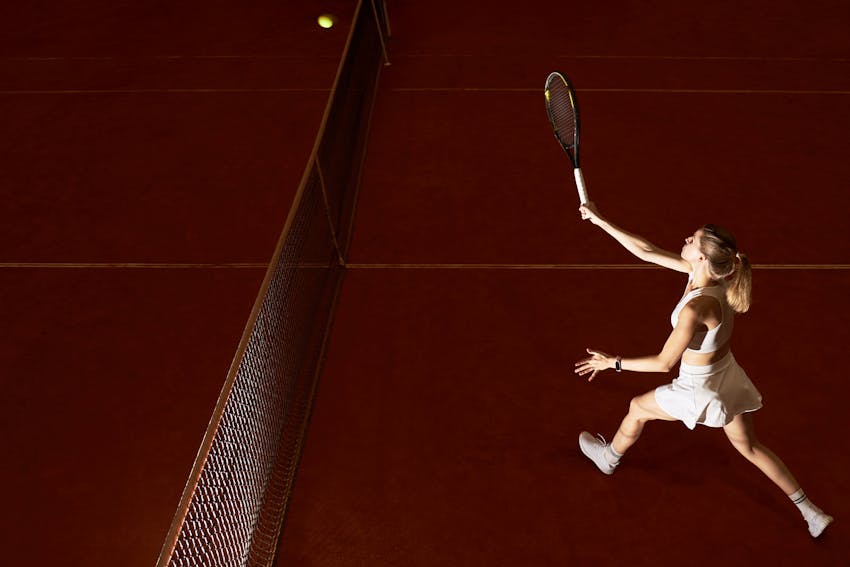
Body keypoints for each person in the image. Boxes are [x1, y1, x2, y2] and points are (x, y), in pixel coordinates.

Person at [573, 202, 833, 538]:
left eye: (692, 240)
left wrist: (613, 363)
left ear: (702, 258)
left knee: (637, 408)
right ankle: (811, 512)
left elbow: (663, 363)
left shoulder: (695, 309)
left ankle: (608, 458)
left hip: (699, 388)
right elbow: (647, 251)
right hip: (726, 375)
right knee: (750, 447)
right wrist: (600, 221)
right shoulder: (713, 278)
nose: (686, 239)